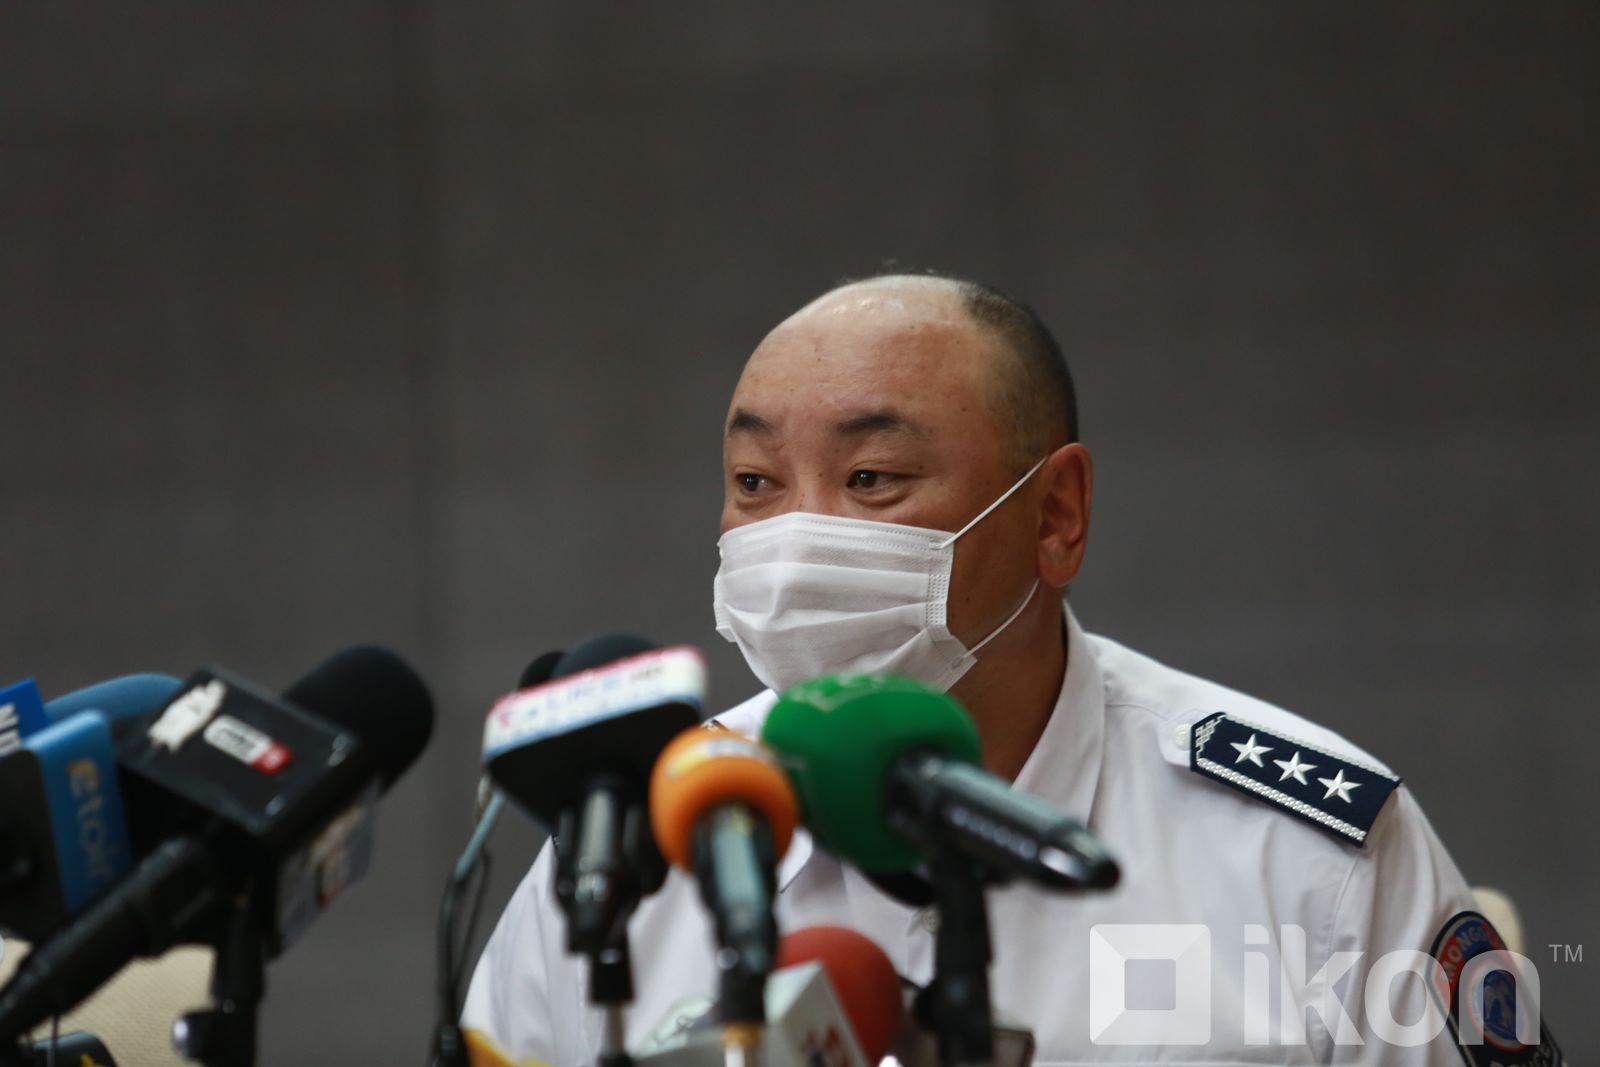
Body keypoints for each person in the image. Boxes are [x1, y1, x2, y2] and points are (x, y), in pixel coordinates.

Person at [463, 273, 1559, 1065]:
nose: (795, 540)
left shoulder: (1303, 855)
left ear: (1055, 514)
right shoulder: (626, 855)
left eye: (871, 477)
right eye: (755, 482)